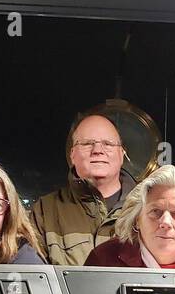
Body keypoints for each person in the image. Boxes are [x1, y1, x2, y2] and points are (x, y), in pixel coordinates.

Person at [30, 108, 138, 265]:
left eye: (108, 144)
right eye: (87, 144)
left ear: (122, 154)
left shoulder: (148, 208)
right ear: (72, 154)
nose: (97, 151)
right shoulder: (45, 211)